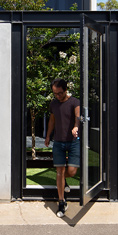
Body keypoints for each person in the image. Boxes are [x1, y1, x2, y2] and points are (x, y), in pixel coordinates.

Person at [44, 77, 80, 218]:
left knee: (71, 171)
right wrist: (48, 136)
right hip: (58, 142)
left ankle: (63, 181)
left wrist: (76, 126)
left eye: (60, 93)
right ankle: (61, 202)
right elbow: (52, 120)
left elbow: (78, 116)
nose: (58, 96)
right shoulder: (54, 104)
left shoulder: (74, 102)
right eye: (55, 93)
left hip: (73, 141)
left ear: (65, 90)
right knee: (59, 171)